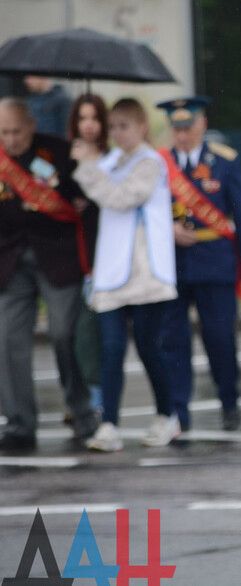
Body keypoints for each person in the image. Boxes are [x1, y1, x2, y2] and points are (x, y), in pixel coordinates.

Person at [72, 98, 179, 452]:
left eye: (125, 126)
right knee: (111, 348)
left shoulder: (150, 162)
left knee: (149, 348)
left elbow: (119, 197)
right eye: (113, 127)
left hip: (145, 272)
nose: (118, 133)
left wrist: (89, 168)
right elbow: (90, 188)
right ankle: (109, 424)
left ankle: (167, 415)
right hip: (112, 272)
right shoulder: (112, 160)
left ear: (142, 127)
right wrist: (87, 162)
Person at [157, 96, 241, 432]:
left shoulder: (224, 162)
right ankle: (179, 410)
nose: (182, 134)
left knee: (219, 338)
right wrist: (167, 229)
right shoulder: (159, 164)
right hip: (172, 266)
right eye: (176, 128)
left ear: (201, 124)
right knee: (173, 342)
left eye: (188, 127)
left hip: (215, 263)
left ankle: (229, 401)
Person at [0, 98, 98, 450]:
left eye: (16, 131)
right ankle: (19, 424)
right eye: (4, 133)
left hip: (58, 258)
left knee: (64, 334)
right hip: (10, 261)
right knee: (8, 340)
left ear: (31, 126)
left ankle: (82, 412)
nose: (11, 139)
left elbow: (85, 197)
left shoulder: (57, 151)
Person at [67, 94, 109, 410]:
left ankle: (97, 400)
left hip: (104, 255)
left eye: (94, 118)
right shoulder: (66, 157)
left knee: (96, 333)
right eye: (83, 118)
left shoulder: (111, 159)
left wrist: (89, 167)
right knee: (72, 333)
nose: (89, 125)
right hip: (71, 256)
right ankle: (78, 399)